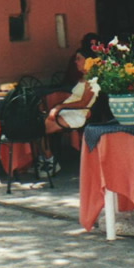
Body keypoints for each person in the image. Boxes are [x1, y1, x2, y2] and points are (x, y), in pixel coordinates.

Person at [38, 46, 99, 174]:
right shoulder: (84, 77)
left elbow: (84, 102)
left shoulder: (92, 80)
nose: (75, 62)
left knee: (39, 128)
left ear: (88, 60)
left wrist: (59, 107)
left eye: (78, 59)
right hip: (69, 111)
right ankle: (46, 158)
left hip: (77, 115)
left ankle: (50, 160)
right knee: (37, 124)